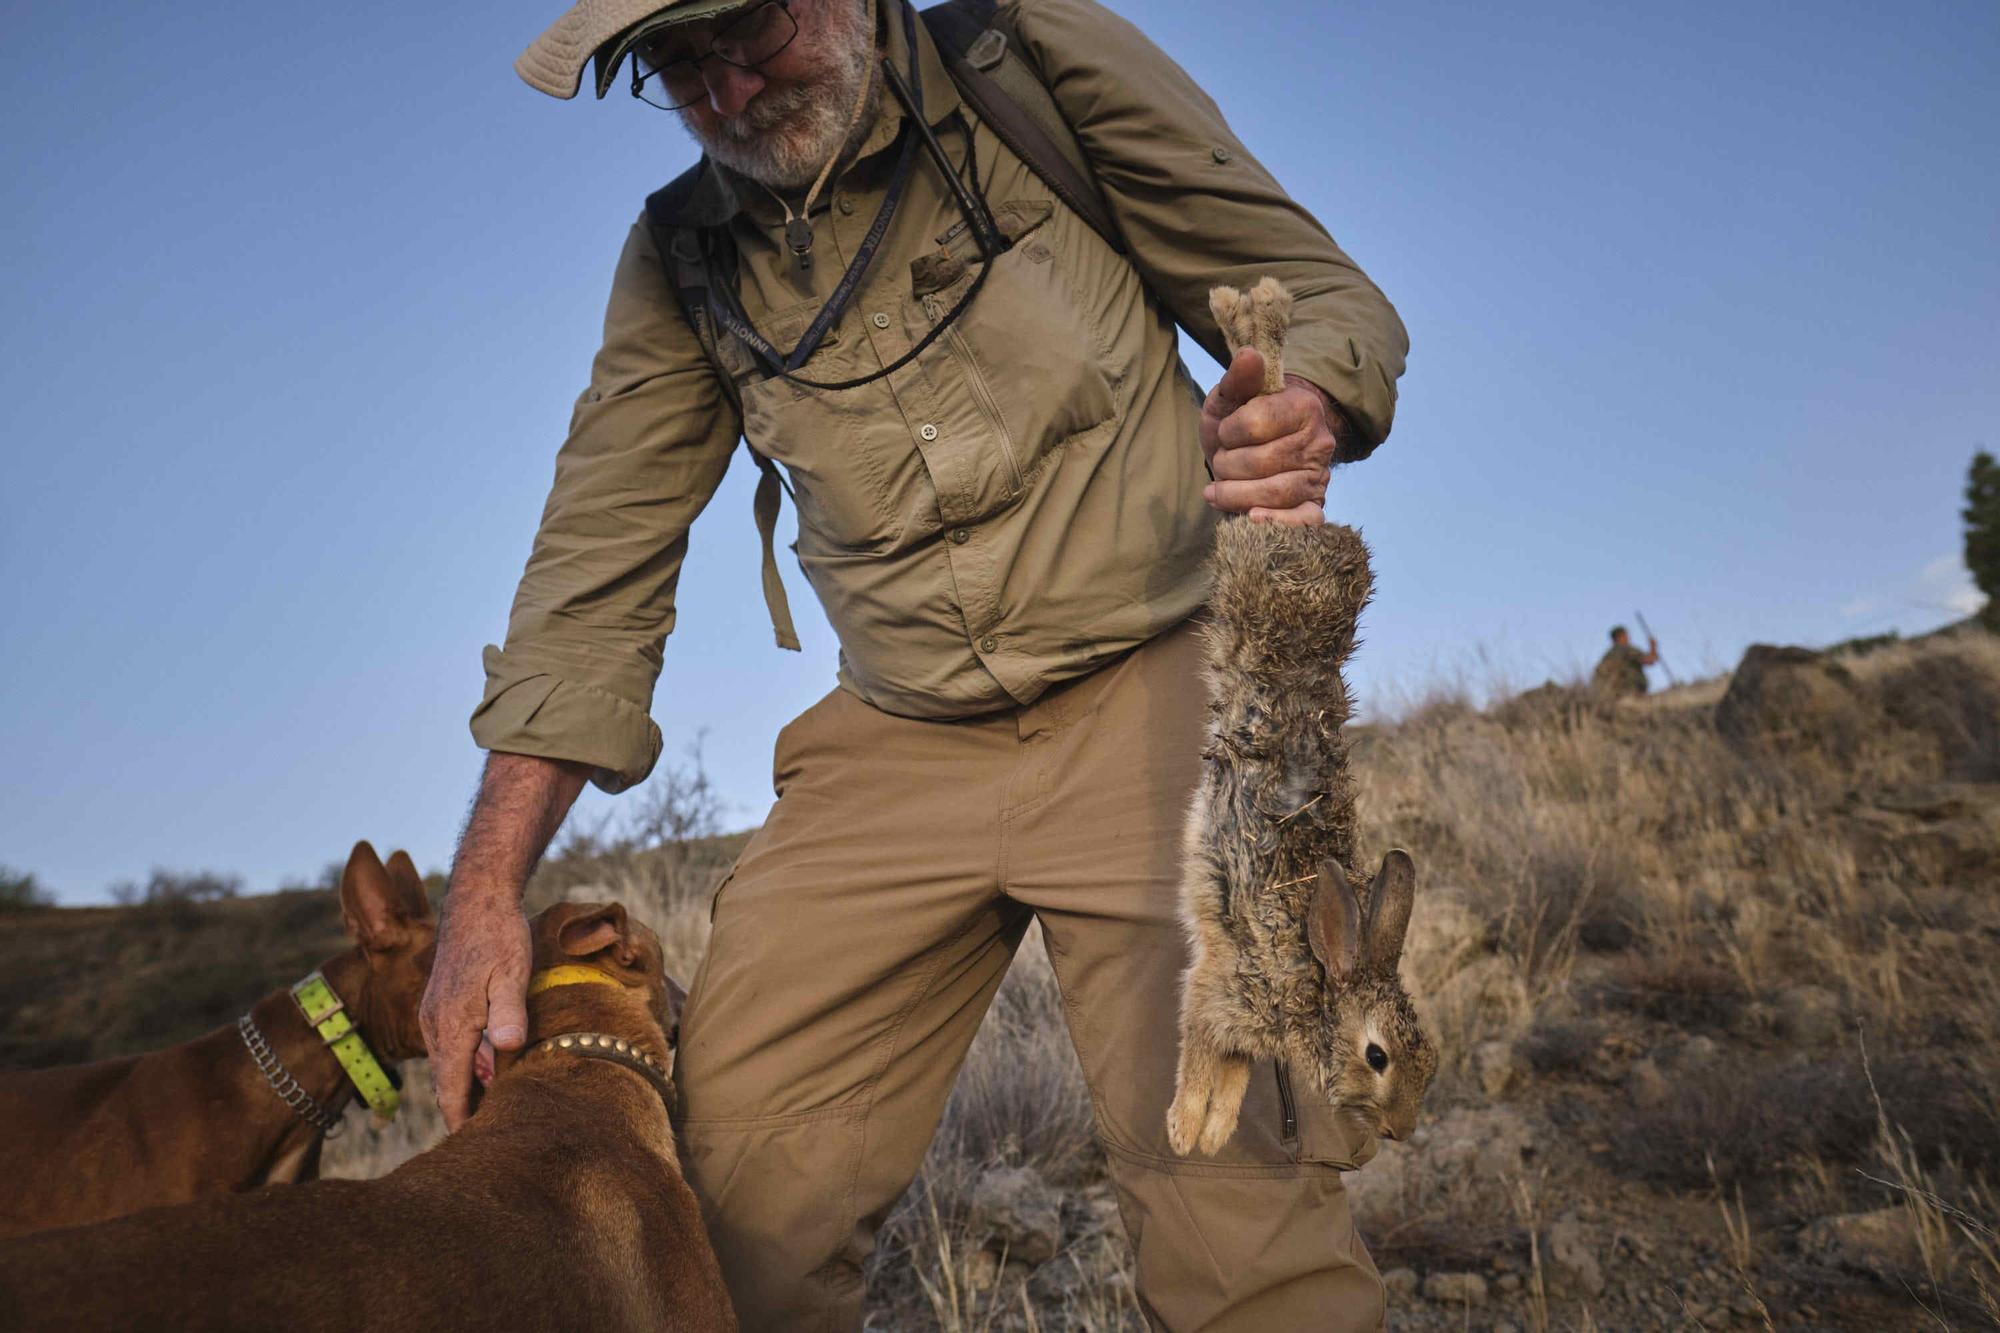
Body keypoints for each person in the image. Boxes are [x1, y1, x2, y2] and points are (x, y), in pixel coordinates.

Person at [422, 0, 1410, 1326]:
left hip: (1160, 689)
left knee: (1235, 1196)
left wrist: (1309, 402)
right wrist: (484, 888)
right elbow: (593, 571)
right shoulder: (678, 257)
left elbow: (1322, 298)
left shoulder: (1031, 64)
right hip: (896, 734)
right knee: (717, 1213)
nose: (725, 86)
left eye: (748, 28)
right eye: (675, 65)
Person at [1592, 624, 1659, 699]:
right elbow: (1650, 660)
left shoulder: (1609, 654)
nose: (1628, 637)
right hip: (1630, 690)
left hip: (1613, 693)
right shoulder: (1627, 650)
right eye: (1626, 635)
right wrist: (1653, 647)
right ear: (1622, 636)